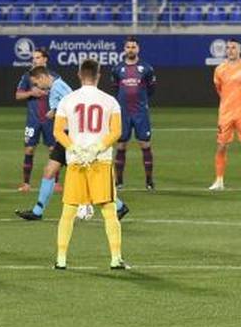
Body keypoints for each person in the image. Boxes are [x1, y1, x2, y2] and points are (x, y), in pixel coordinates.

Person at [15, 68, 127, 222]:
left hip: (72, 137)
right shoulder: (57, 87)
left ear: (42, 77)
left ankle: (119, 206)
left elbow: (74, 107)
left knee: (88, 177)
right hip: (67, 137)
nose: (38, 87)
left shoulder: (58, 87)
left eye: (37, 83)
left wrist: (53, 113)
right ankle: (37, 211)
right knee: (50, 170)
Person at [52, 60, 128, 271]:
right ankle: (115, 258)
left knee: (68, 212)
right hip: (100, 161)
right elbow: (116, 132)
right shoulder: (110, 101)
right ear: (98, 75)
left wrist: (75, 148)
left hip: (76, 162)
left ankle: (61, 259)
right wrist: (96, 148)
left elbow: (58, 131)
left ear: (79, 74)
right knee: (109, 212)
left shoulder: (67, 100)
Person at [210, 39, 241, 191]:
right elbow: (219, 89)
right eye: (228, 48)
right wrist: (229, 102)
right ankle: (219, 181)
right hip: (225, 114)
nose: (230, 50)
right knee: (221, 146)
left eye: (233, 48)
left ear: (239, 50)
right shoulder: (219, 69)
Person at [111, 37, 157, 191]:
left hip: (140, 113)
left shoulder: (147, 68)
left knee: (145, 144)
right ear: (124, 49)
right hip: (123, 113)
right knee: (121, 146)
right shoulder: (117, 69)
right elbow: (115, 89)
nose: (131, 49)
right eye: (128, 47)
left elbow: (151, 89)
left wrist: (141, 101)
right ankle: (119, 181)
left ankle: (149, 181)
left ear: (138, 49)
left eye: (133, 47)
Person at [15, 45, 54, 192]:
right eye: (33, 58)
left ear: (45, 59)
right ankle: (26, 183)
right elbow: (18, 95)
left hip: (50, 120)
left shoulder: (54, 77)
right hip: (33, 120)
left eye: (37, 57)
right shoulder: (27, 77)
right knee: (29, 150)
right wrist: (31, 92)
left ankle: (55, 183)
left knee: (53, 150)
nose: (35, 60)